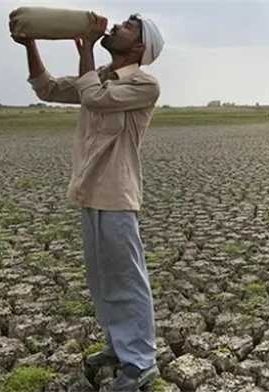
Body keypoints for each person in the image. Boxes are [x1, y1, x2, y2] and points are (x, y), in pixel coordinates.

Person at [11, 12, 164, 392]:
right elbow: (46, 88)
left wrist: (89, 51)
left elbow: (93, 98)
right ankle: (117, 347)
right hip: (89, 191)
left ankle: (142, 362)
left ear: (140, 46)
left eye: (127, 27)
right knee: (101, 279)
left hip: (116, 192)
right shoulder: (100, 77)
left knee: (127, 278)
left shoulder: (144, 83)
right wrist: (31, 44)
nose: (115, 27)